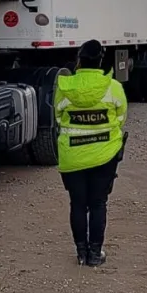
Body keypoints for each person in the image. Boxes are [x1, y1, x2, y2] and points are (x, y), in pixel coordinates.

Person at [54, 39, 128, 266]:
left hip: (72, 155)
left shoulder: (65, 88)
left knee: (77, 204)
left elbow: (58, 117)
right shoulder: (113, 87)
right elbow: (120, 117)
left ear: (80, 60)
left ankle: (81, 253)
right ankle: (95, 254)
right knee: (98, 203)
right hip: (104, 155)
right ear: (100, 61)